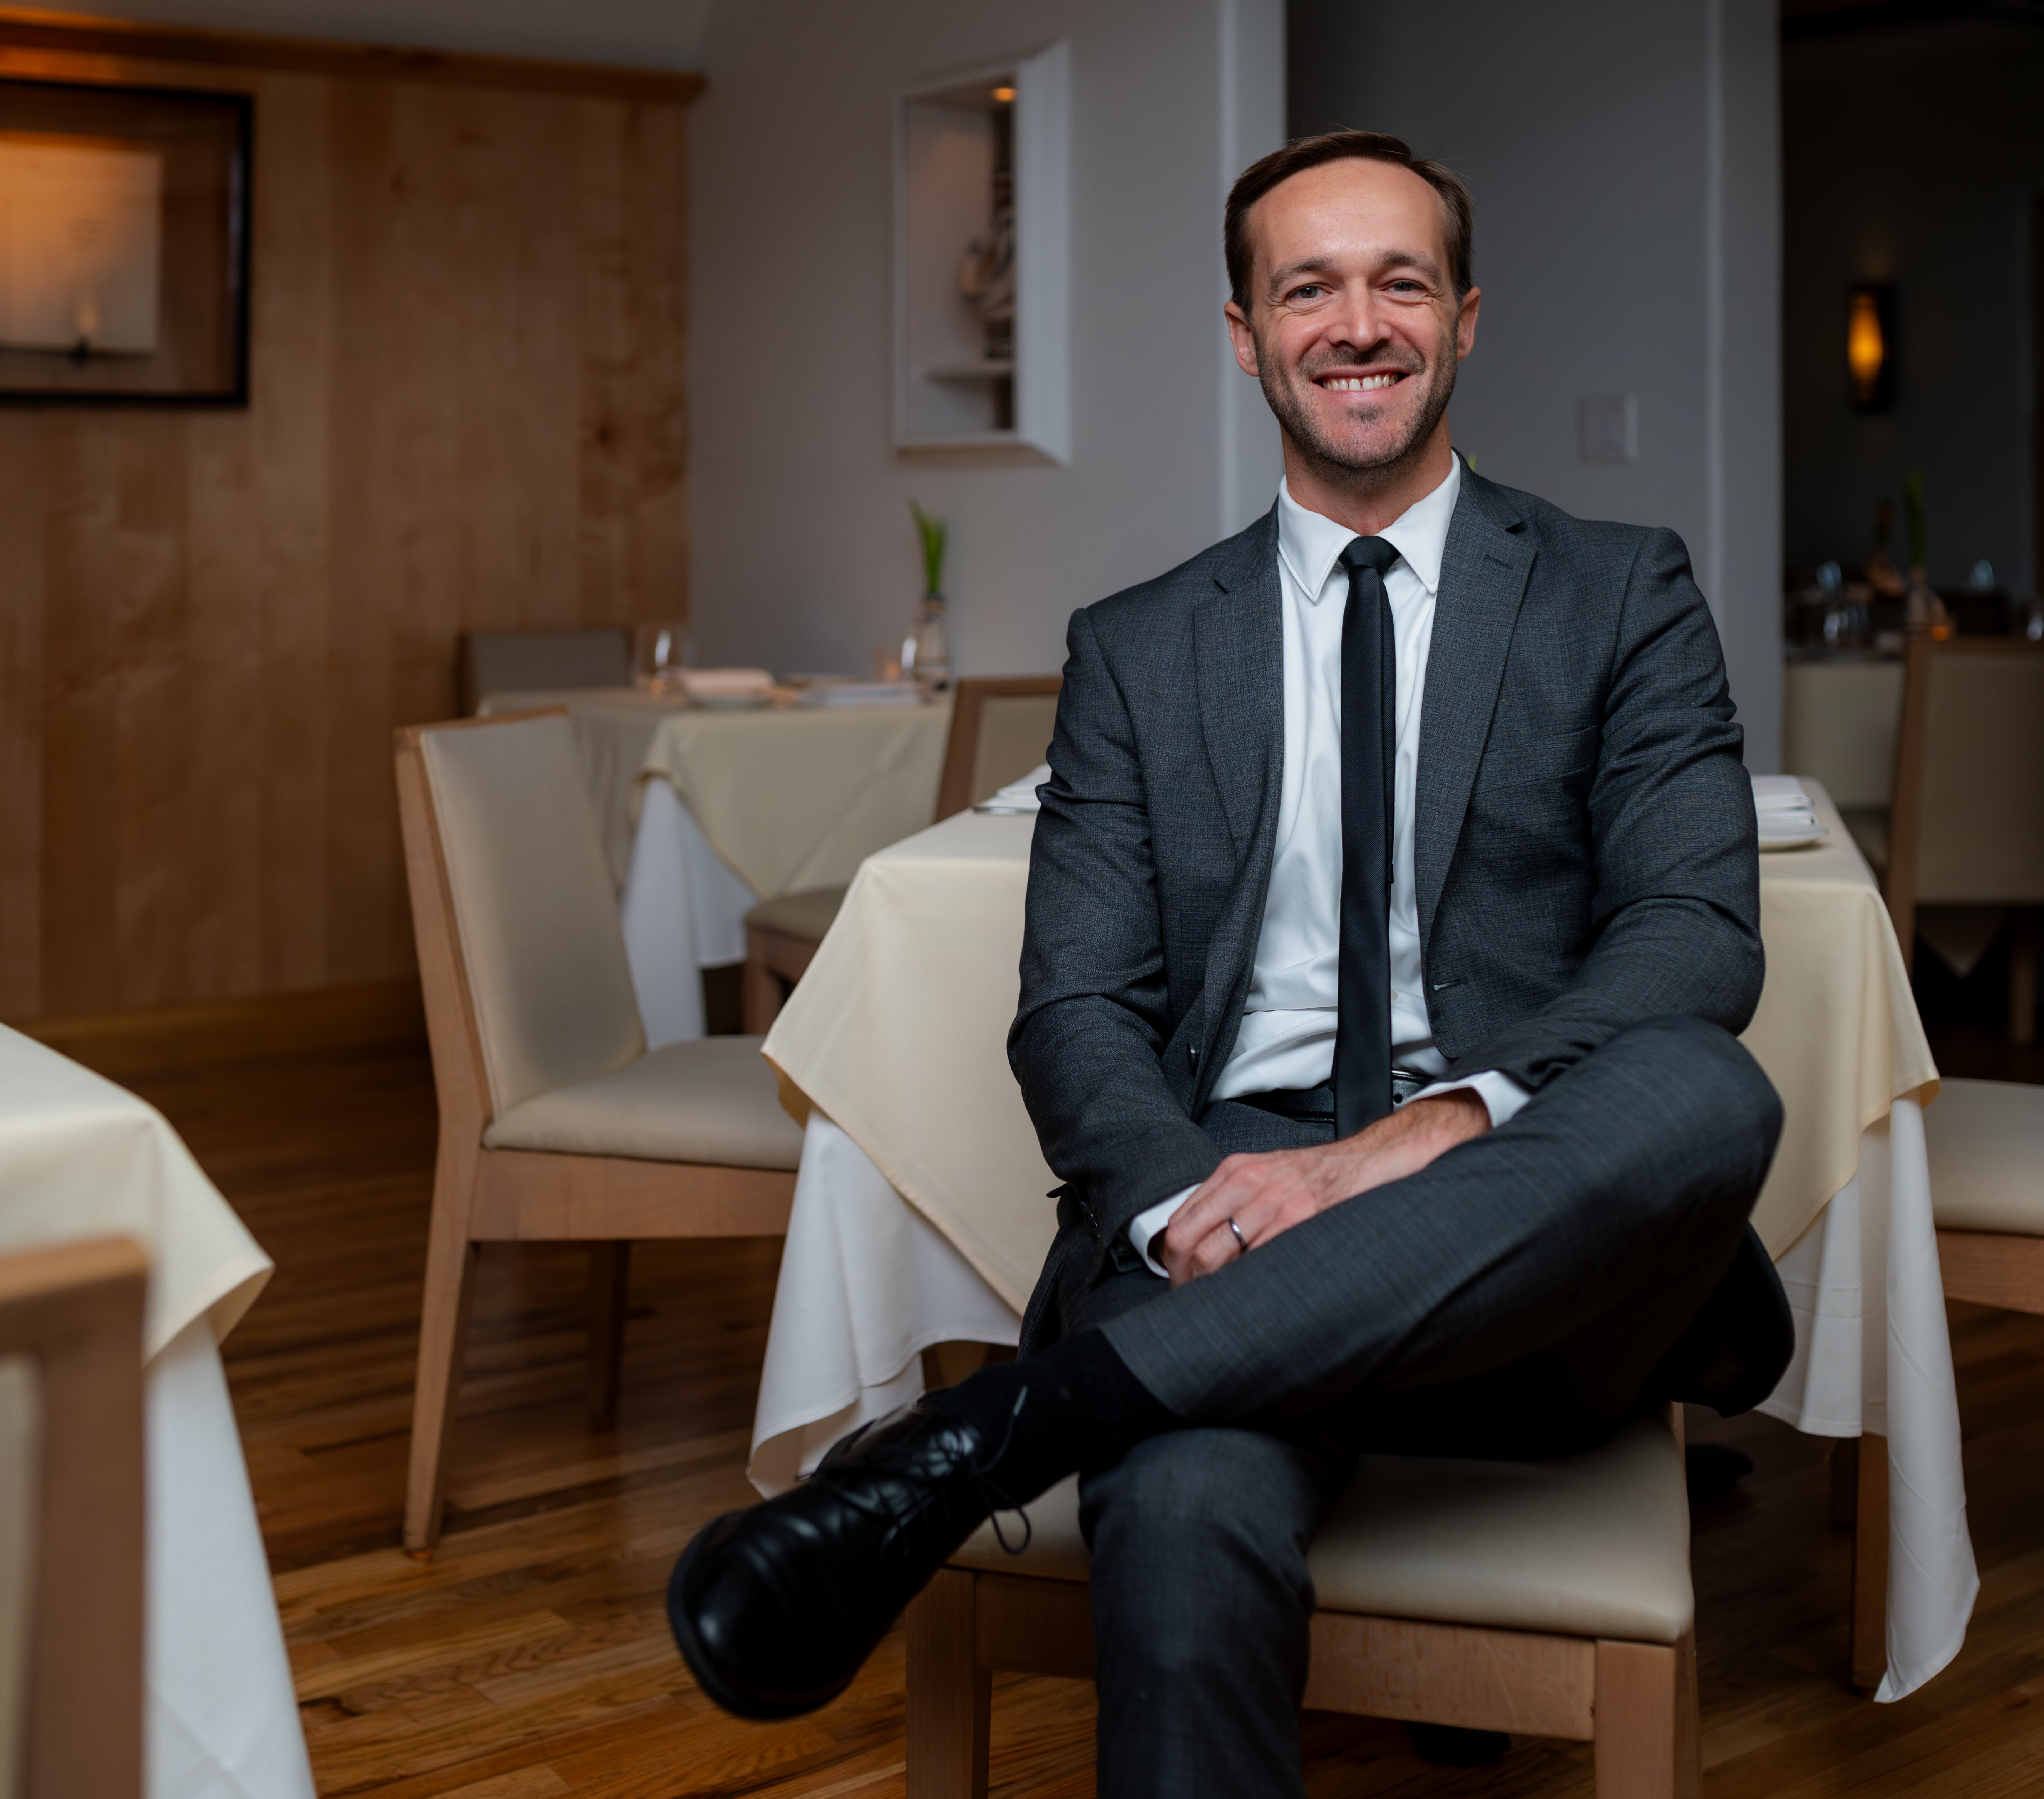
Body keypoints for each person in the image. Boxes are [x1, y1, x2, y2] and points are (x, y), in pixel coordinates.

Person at [665, 131, 1792, 1795]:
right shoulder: (1138, 647)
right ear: (1246, 334)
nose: (1360, 325)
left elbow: (1695, 934)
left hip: (1524, 1255)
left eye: (1402, 283)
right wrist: (1189, 1208)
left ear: (1467, 319)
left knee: (1703, 1088)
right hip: (1220, 1221)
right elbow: (1077, 1010)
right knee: (1186, 1498)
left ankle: (992, 1436)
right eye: (1308, 288)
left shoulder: (1621, 594)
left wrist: (1394, 1152)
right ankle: (1100, 1407)